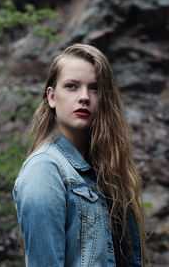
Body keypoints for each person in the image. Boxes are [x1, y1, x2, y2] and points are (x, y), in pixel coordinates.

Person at [13, 44, 146, 266]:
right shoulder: (44, 170)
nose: (84, 97)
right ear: (52, 97)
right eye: (72, 86)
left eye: (94, 88)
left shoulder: (105, 171)